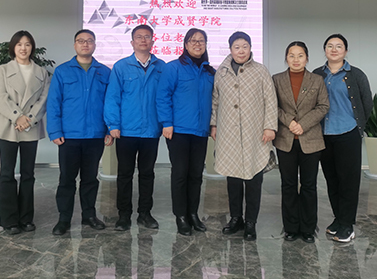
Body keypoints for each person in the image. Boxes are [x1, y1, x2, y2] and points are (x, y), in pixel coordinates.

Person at [210, 31, 278, 241]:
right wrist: (213, 124)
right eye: (237, 47)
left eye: (245, 46)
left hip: (254, 133)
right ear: (230, 49)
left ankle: (251, 223)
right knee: (233, 179)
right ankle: (235, 218)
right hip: (228, 132)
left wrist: (270, 127)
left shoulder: (260, 71)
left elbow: (270, 100)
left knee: (254, 179)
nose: (241, 51)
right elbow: (215, 100)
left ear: (250, 48)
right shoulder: (221, 72)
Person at [47, 29, 112, 235]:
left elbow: (109, 103)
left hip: (95, 135)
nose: (85, 44)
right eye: (81, 41)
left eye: (89, 41)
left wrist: (109, 129)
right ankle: (64, 218)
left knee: (90, 179)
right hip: (69, 136)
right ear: (75, 45)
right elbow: (54, 103)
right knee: (67, 179)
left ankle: (89, 215)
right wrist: (55, 130)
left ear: (95, 45)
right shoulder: (62, 71)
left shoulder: (104, 72)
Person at [104, 25, 165, 231]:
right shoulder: (121, 67)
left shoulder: (161, 67)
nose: (143, 40)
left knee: (147, 174)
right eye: (139, 37)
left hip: (151, 130)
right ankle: (123, 215)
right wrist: (113, 125)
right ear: (132, 42)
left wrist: (164, 123)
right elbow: (112, 97)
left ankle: (145, 214)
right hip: (126, 131)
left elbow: (165, 98)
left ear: (152, 41)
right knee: (125, 174)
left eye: (147, 37)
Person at [313, 34, 372, 243]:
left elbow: (367, 103)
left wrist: (357, 126)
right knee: (332, 179)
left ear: (346, 51)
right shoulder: (317, 74)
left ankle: (347, 225)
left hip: (348, 133)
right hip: (324, 134)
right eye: (330, 46)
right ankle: (338, 219)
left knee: (348, 180)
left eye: (339, 46)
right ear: (325, 50)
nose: (334, 49)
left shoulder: (356, 75)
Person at [156, 28, 215, 236]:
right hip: (178, 130)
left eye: (201, 41)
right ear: (185, 44)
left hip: (200, 131)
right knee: (180, 174)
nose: (197, 44)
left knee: (196, 174)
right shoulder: (173, 68)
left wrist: (212, 125)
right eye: (193, 40)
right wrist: (166, 122)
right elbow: (163, 96)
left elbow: (215, 101)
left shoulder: (210, 72)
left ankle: (193, 214)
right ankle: (180, 216)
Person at [0, 31, 51, 235]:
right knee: (6, 173)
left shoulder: (41, 72)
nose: (23, 48)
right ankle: (9, 220)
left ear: (32, 47)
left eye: (27, 44)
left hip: (30, 128)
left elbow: (44, 99)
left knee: (28, 174)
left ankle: (26, 218)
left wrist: (29, 119)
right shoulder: (2, 70)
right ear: (13, 47)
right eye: (19, 44)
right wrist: (18, 117)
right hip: (9, 126)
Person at [273, 41, 329, 243]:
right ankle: (290, 227)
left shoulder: (317, 80)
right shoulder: (277, 79)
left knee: (309, 185)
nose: (296, 60)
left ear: (307, 58)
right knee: (288, 185)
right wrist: (290, 122)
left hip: (310, 139)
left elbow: (323, 106)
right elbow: (273, 106)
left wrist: (302, 125)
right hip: (285, 140)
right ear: (286, 58)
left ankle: (307, 228)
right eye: (291, 55)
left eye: (300, 55)